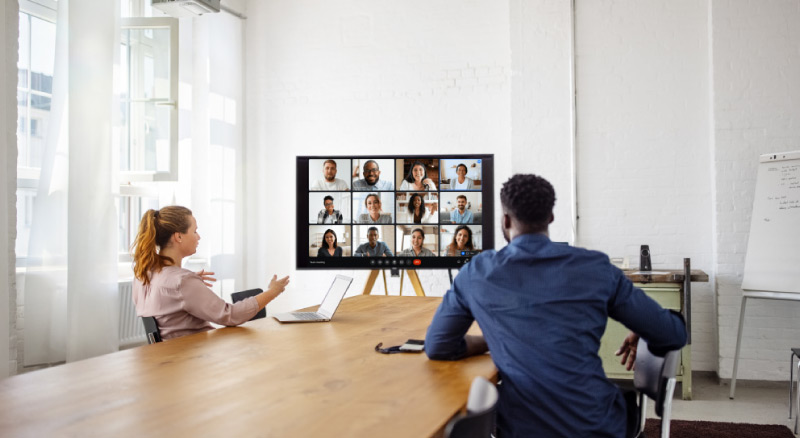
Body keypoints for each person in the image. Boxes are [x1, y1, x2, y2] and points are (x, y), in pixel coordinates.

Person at [424, 174, 687, 438]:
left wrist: (490, 341)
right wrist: (646, 327)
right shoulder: (596, 267)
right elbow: (673, 334)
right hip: (598, 426)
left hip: (522, 429)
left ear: (505, 220)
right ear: (550, 217)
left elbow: (438, 346)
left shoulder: (476, 273)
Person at [131, 206, 290, 340]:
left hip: (170, 360)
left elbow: (167, 304)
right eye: (195, 231)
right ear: (178, 236)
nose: (198, 237)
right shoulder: (182, 282)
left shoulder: (143, 274)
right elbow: (231, 315)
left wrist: (190, 284)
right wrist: (272, 292)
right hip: (196, 360)